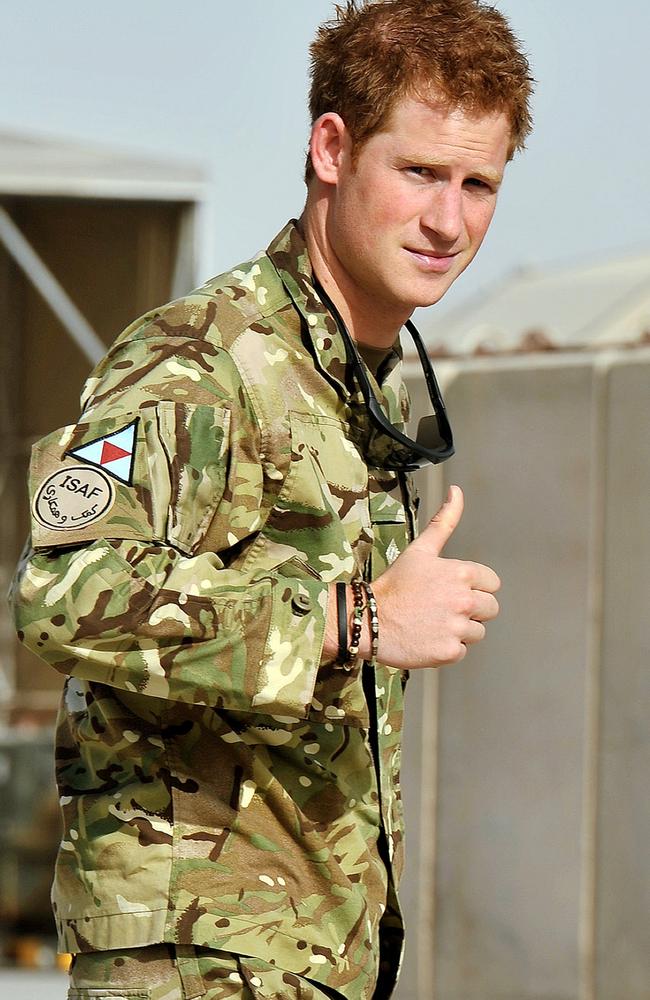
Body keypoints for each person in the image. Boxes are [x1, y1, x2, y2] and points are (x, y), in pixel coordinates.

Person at [10, 1, 533, 997]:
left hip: (305, 958)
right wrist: (355, 618)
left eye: (477, 184)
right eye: (419, 172)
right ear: (330, 148)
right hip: (194, 960)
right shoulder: (199, 361)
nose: (447, 220)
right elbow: (61, 589)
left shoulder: (348, 385)